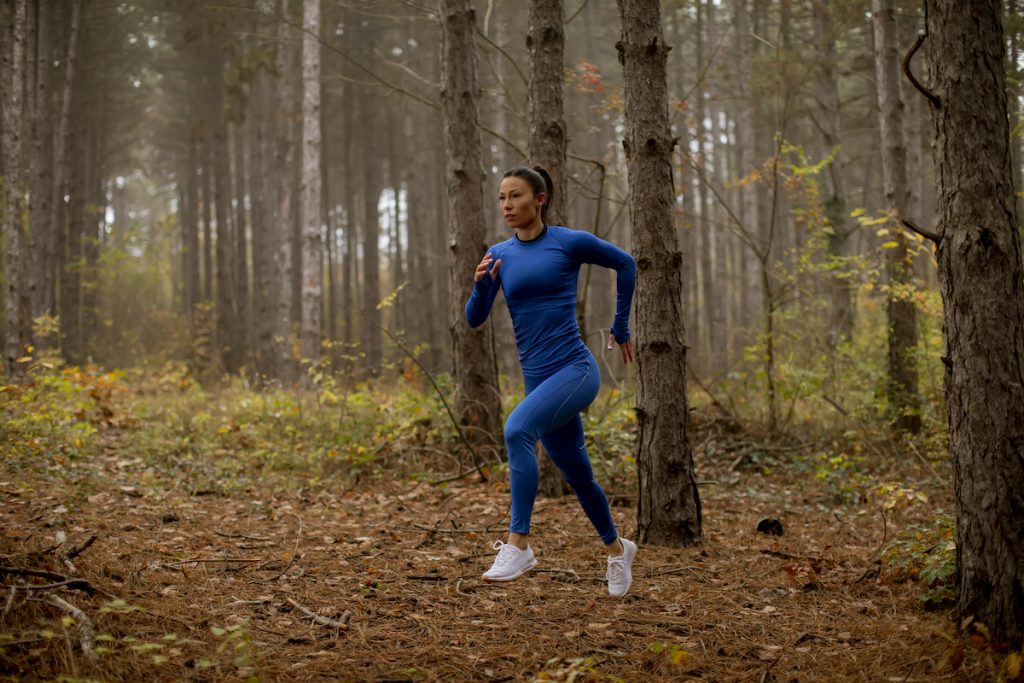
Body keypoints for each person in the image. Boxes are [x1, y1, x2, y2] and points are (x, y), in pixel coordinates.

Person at [465, 165, 638, 597]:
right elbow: (474, 319)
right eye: (502, 197)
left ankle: (518, 544)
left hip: (576, 371)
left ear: (539, 200)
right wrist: (480, 285)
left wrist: (620, 326)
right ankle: (619, 550)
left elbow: (625, 263)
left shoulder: (568, 242)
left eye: (516, 196)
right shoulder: (499, 253)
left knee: (517, 429)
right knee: (579, 477)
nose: (507, 205)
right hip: (539, 382)